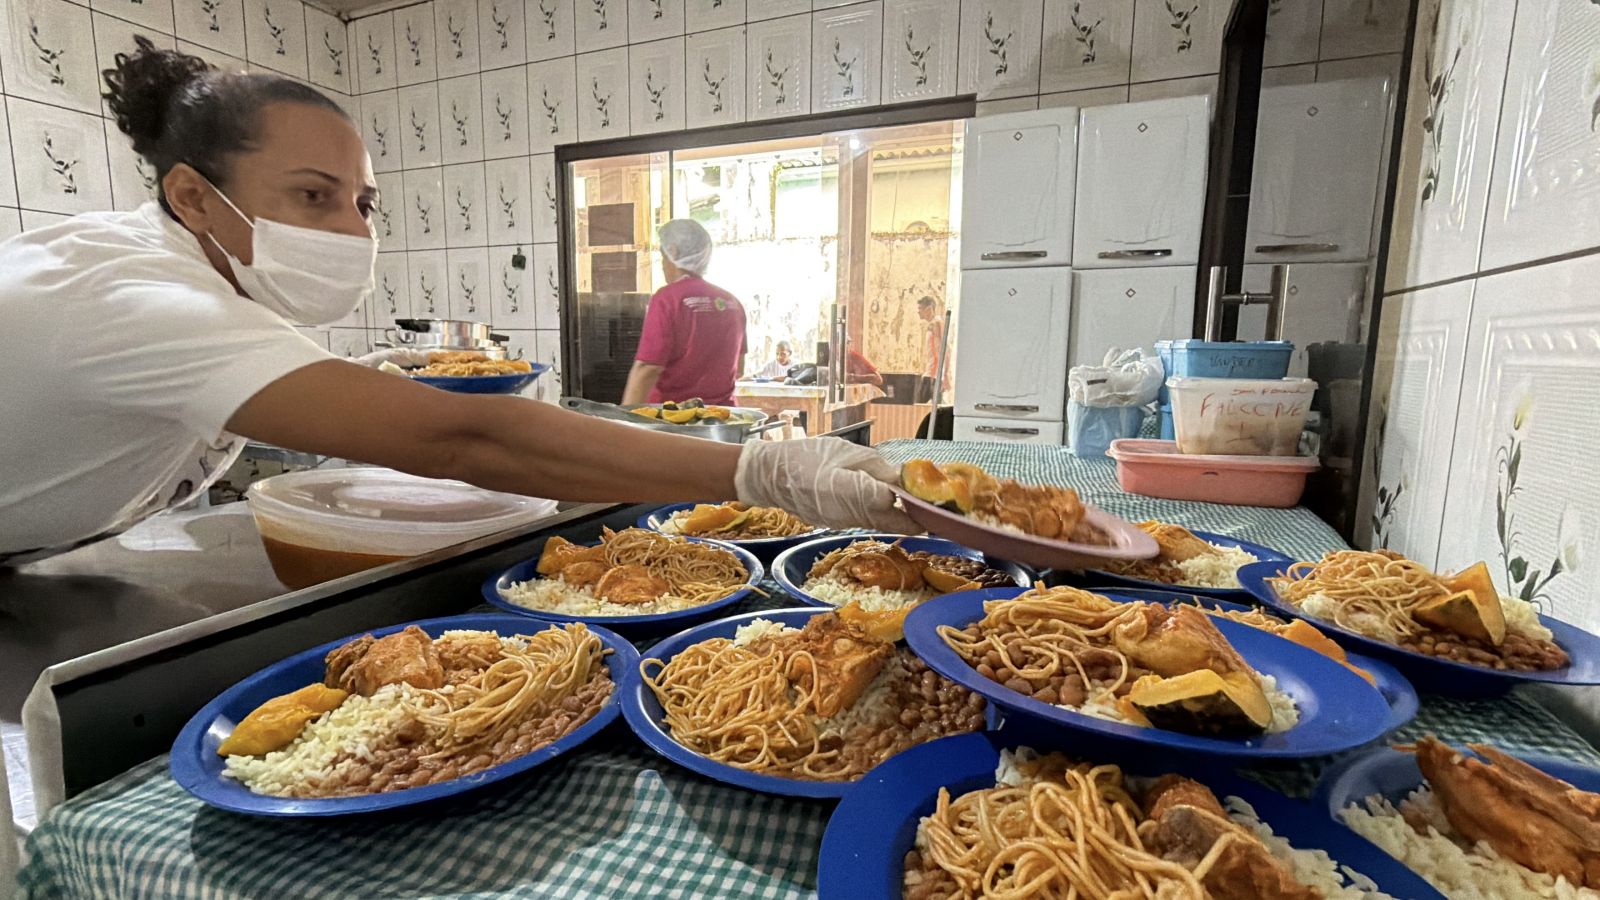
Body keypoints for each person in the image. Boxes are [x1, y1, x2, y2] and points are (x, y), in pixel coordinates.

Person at [0, 40, 914, 565]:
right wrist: (764, 473)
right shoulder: (129, 296)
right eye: (313, 196)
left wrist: (353, 376)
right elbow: (464, 440)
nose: (351, 230)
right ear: (193, 197)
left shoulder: (185, 278)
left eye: (362, 203)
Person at [621, 220, 746, 407]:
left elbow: (648, 368)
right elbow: (739, 369)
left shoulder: (667, 299)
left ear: (673, 252)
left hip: (672, 417)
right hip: (722, 418)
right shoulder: (732, 303)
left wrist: (623, 418)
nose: (662, 265)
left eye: (663, 256)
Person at [916, 295, 949, 403]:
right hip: (929, 372)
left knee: (923, 405)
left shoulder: (937, 322)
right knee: (922, 405)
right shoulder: (931, 324)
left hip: (934, 374)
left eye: (920, 308)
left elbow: (946, 348)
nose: (918, 312)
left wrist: (945, 375)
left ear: (929, 308)